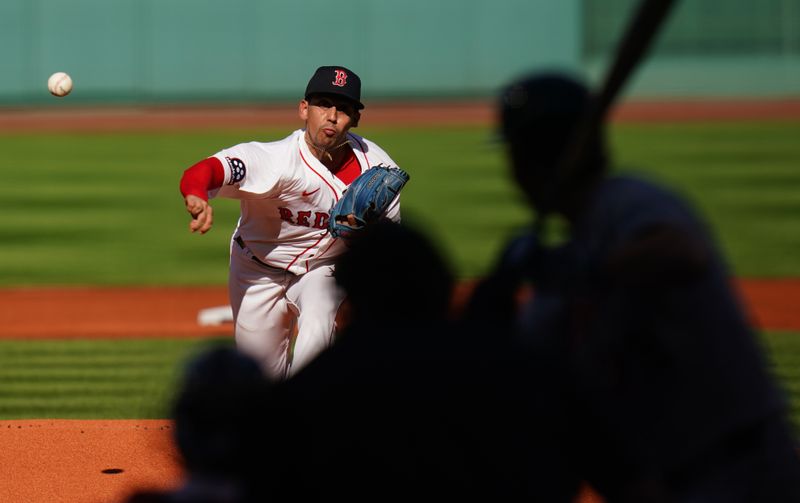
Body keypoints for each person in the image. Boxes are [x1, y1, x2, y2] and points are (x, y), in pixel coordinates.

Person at [482, 70, 800, 502]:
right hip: (674, 479)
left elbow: (681, 252)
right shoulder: (576, 250)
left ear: (531, 159)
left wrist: (579, 272)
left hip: (740, 468)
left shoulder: (626, 202)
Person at [179, 66, 403, 379]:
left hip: (322, 268)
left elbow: (389, 251)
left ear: (356, 119)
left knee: (320, 311)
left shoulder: (377, 170)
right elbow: (207, 170)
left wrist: (360, 240)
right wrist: (196, 194)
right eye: (323, 104)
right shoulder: (275, 161)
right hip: (258, 270)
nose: (332, 115)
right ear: (303, 109)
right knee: (261, 380)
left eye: (344, 108)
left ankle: (307, 410)